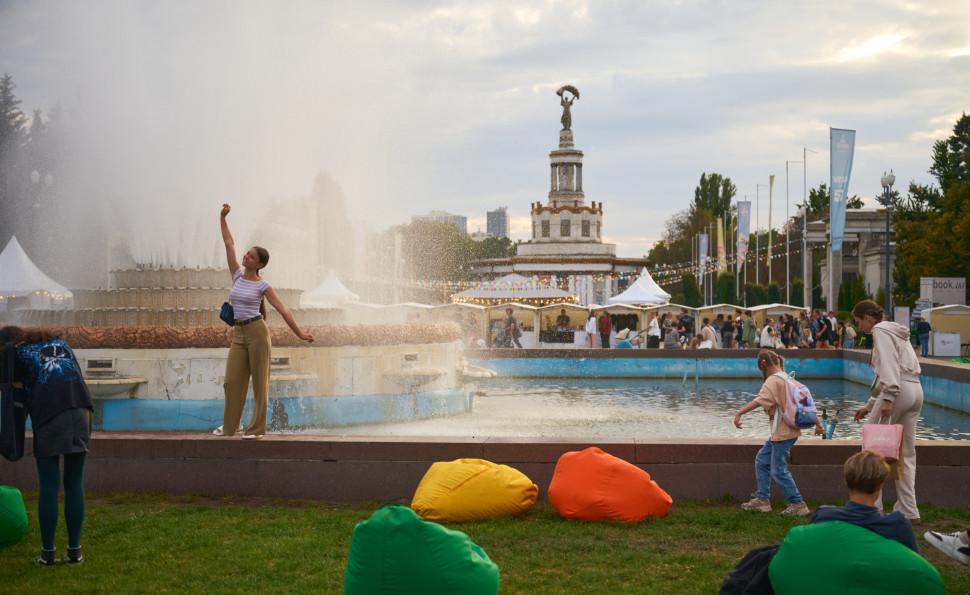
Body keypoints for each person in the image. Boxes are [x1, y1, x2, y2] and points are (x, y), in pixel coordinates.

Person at [215, 204, 314, 439]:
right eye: (246, 254)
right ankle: (232, 426)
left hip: (257, 332)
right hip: (238, 334)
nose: (245, 256)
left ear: (259, 264)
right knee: (231, 381)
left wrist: (299, 334)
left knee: (260, 382)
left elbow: (283, 310)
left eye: (251, 256)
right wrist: (222, 218)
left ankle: (257, 429)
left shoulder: (263, 285)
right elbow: (229, 243)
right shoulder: (237, 275)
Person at [0, 326, 94, 566]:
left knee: (49, 483)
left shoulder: (15, 353)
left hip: (51, 415)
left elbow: (15, 399)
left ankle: (48, 555)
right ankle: (75, 553)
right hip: (82, 410)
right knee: (74, 481)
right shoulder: (60, 344)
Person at [852, 299, 923, 522]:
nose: (859, 327)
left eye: (859, 322)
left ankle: (872, 509)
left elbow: (891, 368)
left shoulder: (880, 330)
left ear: (867, 318)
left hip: (898, 391)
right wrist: (869, 406)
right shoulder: (895, 331)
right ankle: (909, 511)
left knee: (872, 451)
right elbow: (898, 369)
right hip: (915, 391)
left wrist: (890, 396)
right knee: (907, 454)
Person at [733, 350, 823, 516]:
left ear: (762, 365)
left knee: (778, 469)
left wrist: (739, 413)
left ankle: (798, 504)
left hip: (783, 432)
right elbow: (804, 401)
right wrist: (818, 422)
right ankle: (762, 500)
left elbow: (758, 401)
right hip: (786, 431)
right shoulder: (787, 377)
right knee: (762, 460)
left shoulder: (773, 381)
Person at [811, 450, 920, 553]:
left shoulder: (823, 516)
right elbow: (914, 563)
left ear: (846, 481)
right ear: (879, 486)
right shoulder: (897, 525)